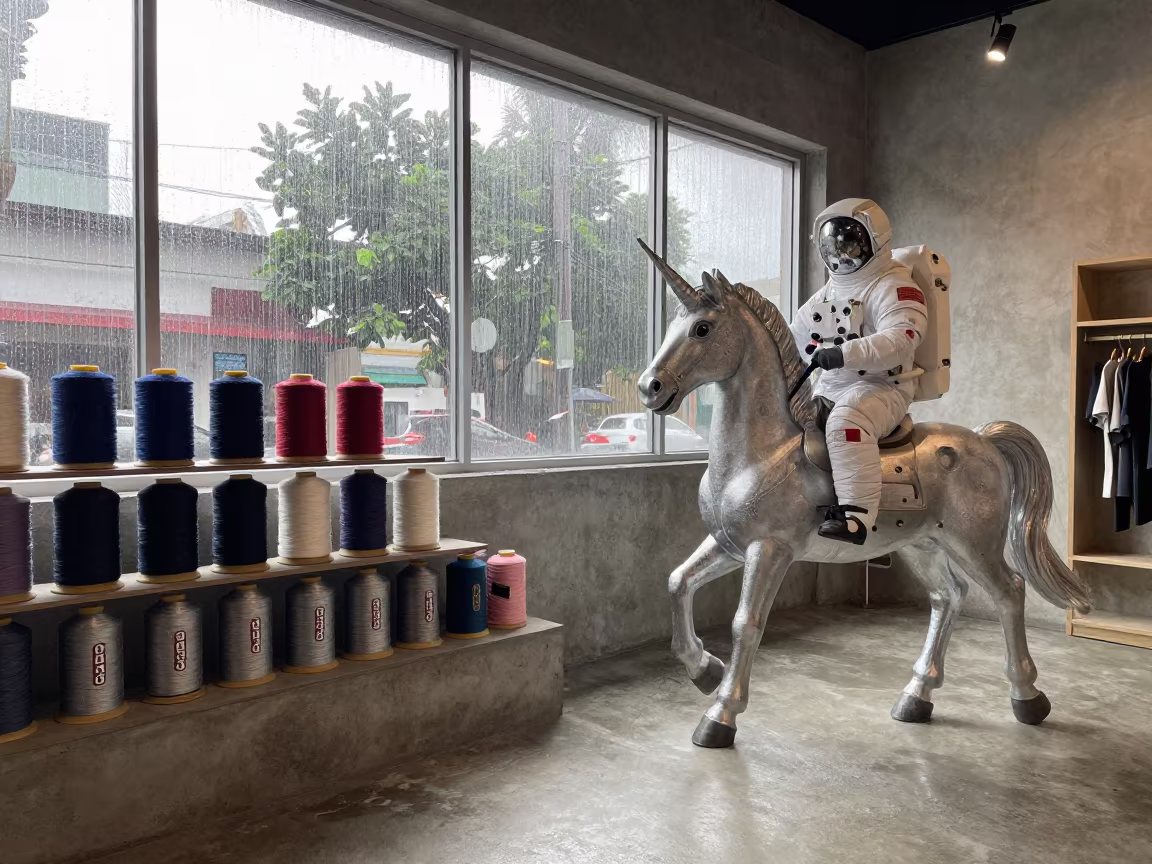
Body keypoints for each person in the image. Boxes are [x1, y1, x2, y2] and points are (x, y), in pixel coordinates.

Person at [790, 199, 928, 545]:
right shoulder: (830, 290)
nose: (842, 254)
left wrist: (843, 353)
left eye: (849, 245)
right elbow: (796, 334)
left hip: (883, 387)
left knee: (846, 421)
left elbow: (902, 338)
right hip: (831, 386)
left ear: (874, 241)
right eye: (833, 246)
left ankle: (857, 518)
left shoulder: (895, 285)